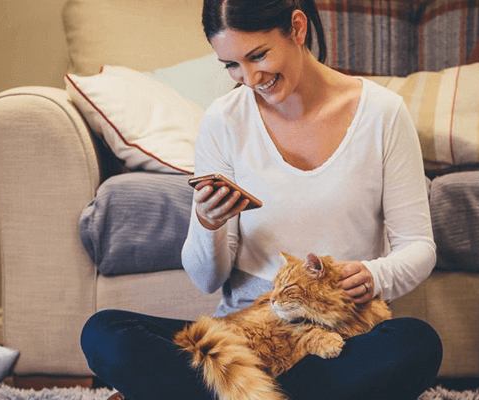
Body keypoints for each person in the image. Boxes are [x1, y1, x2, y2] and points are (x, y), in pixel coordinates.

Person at [81, 0, 443, 399]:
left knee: (416, 343)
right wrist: (208, 223)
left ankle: (218, 393)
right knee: (104, 333)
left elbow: (418, 246)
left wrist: (377, 276)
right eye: (232, 65)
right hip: (246, 337)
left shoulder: (383, 114)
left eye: (258, 55)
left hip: (335, 338)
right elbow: (207, 280)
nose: (249, 78)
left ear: (298, 28)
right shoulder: (223, 121)